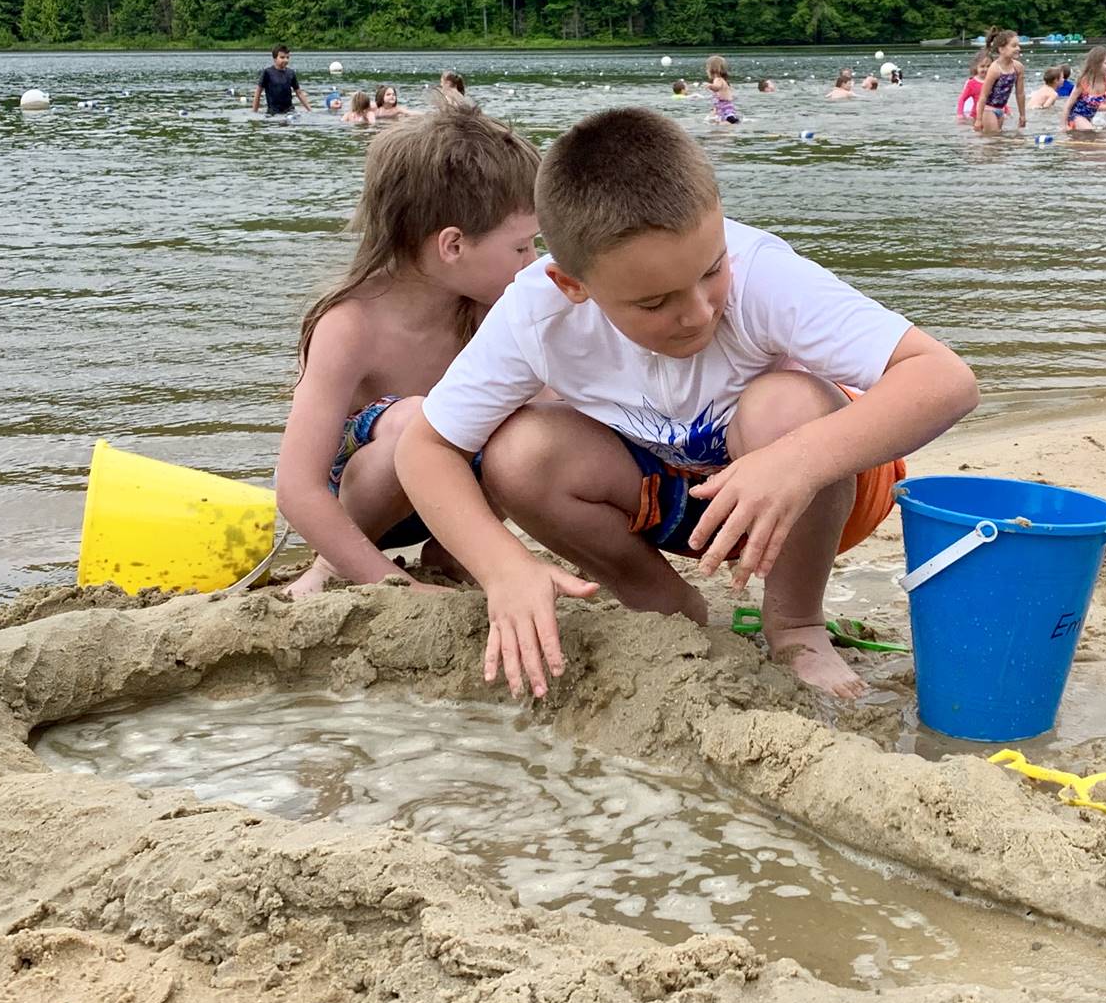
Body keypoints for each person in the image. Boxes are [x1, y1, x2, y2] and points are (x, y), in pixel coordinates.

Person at [394, 106, 979, 702]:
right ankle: (665, 607)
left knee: (784, 406)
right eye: (653, 303)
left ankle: (797, 624)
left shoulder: (761, 275)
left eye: (710, 270)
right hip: (681, 508)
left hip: (818, 493)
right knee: (518, 452)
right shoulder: (534, 315)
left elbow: (945, 379)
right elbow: (426, 446)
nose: (699, 312)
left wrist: (797, 461)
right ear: (574, 286)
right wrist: (502, 569)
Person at [275, 104, 543, 598]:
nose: (534, 264)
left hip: (450, 495)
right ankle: (329, 569)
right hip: (365, 503)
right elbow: (296, 487)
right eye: (523, 247)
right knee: (417, 418)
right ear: (453, 246)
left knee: (536, 411)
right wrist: (396, 586)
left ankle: (451, 551)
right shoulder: (349, 326)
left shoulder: (486, 310)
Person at [975, 31, 1025, 134]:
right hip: (988, 109)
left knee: (996, 143)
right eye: (1014, 46)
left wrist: (1022, 115)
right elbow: (983, 95)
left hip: (1001, 109)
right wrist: (978, 119)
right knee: (995, 138)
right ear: (1001, 49)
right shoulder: (994, 69)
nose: (1018, 49)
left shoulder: (1018, 67)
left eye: (1018, 45)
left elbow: (1020, 94)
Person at [1061, 47, 1106, 131]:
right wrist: (1064, 126)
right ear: (1096, 64)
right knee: (1090, 131)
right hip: (1075, 116)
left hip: (1088, 118)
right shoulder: (1084, 82)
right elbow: (1068, 105)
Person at [255, 45, 304, 116]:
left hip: (289, 110)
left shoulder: (291, 73)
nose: (285, 60)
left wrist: (310, 110)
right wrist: (254, 112)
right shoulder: (267, 73)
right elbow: (258, 92)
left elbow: (299, 93)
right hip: (273, 111)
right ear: (275, 58)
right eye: (282, 57)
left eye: (287, 57)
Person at [957, 49, 991, 124]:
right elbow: (962, 99)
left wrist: (1006, 110)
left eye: (988, 66)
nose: (986, 69)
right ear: (976, 67)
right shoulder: (972, 83)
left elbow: (999, 98)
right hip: (976, 116)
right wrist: (960, 114)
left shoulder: (994, 81)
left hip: (991, 114)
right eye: (982, 66)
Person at [705, 55, 740, 125]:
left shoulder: (718, 79)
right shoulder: (722, 80)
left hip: (725, 108)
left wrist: (710, 86)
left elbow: (717, 87)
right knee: (716, 120)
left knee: (725, 122)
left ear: (712, 69)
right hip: (724, 107)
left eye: (707, 68)